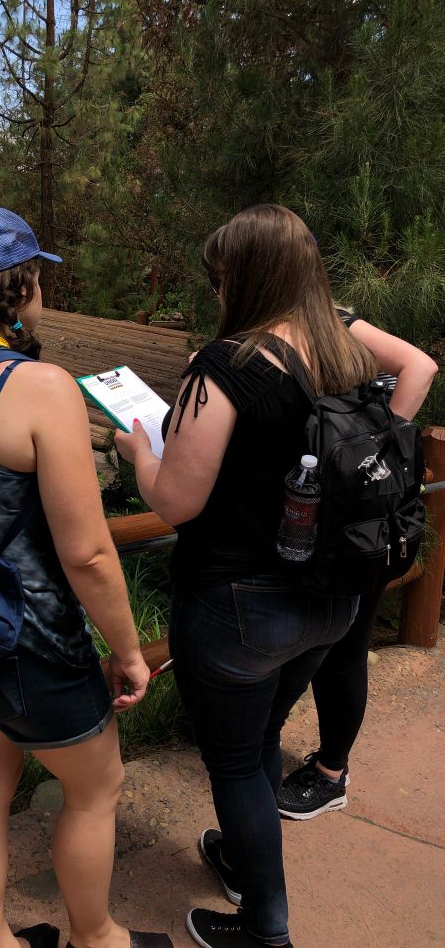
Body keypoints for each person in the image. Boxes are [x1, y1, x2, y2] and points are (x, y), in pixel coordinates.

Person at [115, 204, 388, 948]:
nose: (215, 290)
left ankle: (265, 928)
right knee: (265, 732)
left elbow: (176, 499)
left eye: (220, 276)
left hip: (241, 603)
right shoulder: (351, 359)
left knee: (236, 760)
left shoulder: (229, 365)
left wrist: (138, 451)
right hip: (331, 597)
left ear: (246, 276)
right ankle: (242, 853)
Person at [0, 206, 172, 948]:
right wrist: (127, 650)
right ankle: (98, 938)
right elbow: (87, 552)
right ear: (19, 284)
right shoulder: (42, 388)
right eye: (38, 280)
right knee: (96, 792)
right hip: (35, 641)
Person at [276, 310, 437, 820]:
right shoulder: (275, 323)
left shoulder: (334, 319)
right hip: (321, 506)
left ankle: (330, 774)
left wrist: (378, 450)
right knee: (323, 635)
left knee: (347, 644)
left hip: (357, 510)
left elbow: (421, 366)